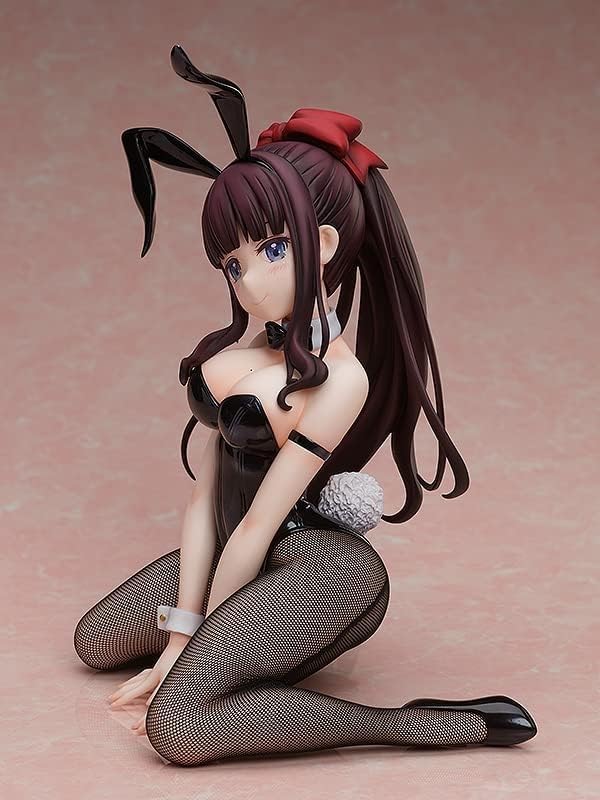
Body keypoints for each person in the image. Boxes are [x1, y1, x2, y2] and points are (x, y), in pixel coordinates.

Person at [73, 44, 537, 765]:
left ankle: (415, 724)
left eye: (270, 251)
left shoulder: (340, 379)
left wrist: (185, 655)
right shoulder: (236, 353)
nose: (247, 281)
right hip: (241, 549)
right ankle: (240, 663)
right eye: (232, 262)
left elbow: (261, 521)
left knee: (179, 725)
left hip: (318, 568)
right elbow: (204, 503)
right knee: (96, 640)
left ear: (321, 245)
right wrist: (181, 629)